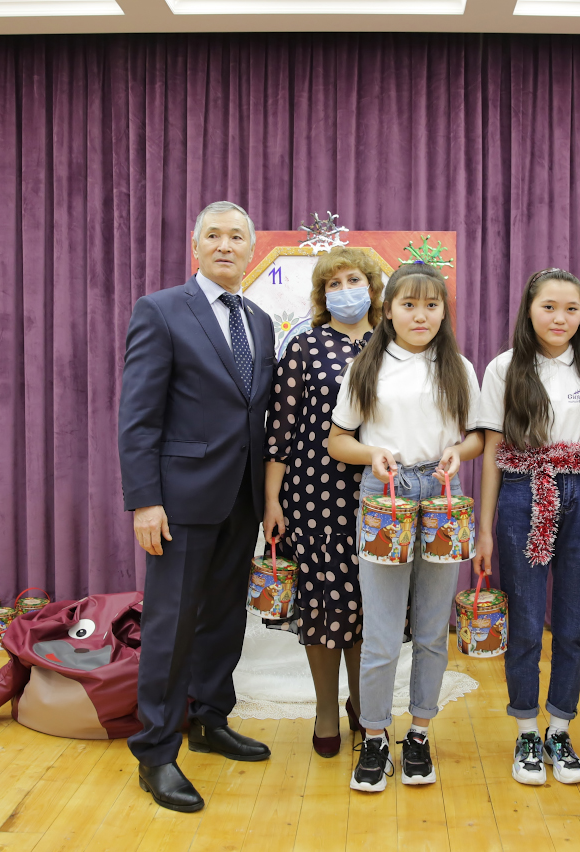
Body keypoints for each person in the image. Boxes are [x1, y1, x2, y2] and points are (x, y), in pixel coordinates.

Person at [118, 201, 276, 814]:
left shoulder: (259, 320)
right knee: (172, 624)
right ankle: (156, 752)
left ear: (252, 249)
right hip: (180, 500)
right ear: (196, 246)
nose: (225, 245)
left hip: (241, 496)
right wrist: (145, 501)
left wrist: (267, 498)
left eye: (237, 236)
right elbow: (138, 417)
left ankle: (211, 719)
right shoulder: (160, 310)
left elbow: (254, 412)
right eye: (213, 235)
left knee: (225, 618)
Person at [328, 262, 483, 793]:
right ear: (388, 310)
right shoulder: (367, 366)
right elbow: (338, 441)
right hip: (386, 493)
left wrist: (458, 452)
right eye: (409, 305)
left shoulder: (458, 367)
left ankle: (418, 734)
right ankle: (375, 737)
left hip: (441, 494)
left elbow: (476, 437)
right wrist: (372, 454)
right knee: (382, 630)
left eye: (432, 305)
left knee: (434, 628)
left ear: (444, 311)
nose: (421, 315)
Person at [472, 268, 580, 787]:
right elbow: (493, 452)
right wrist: (485, 528)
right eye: (549, 307)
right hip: (523, 493)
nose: (560, 318)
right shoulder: (504, 367)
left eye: (571, 309)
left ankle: (560, 728)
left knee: (574, 621)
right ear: (529, 310)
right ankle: (525, 732)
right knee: (526, 621)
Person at [261, 247, 384, 758]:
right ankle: (326, 709)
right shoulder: (304, 346)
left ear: (372, 288)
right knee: (323, 602)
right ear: (321, 294)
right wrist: (272, 499)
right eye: (334, 284)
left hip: (381, 494)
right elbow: (280, 431)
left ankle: (364, 704)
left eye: (353, 280)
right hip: (313, 494)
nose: (345, 290)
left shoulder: (393, 344)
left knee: (368, 605)